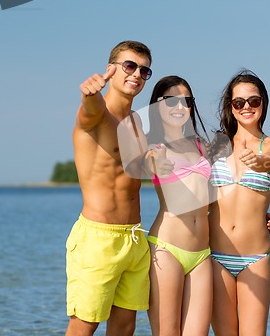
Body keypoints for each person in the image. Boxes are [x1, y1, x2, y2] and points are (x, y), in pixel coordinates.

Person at [66, 41, 153, 336]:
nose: (137, 74)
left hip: (134, 239)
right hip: (98, 239)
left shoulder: (138, 124)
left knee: (125, 326)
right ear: (111, 69)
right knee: (83, 325)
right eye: (130, 66)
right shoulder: (97, 114)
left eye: (144, 70)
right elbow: (88, 110)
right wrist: (89, 94)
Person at [208, 70, 270, 335]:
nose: (247, 107)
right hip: (216, 256)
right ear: (231, 106)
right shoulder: (215, 147)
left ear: (264, 102)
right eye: (239, 102)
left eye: (254, 100)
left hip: (257, 258)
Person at [144, 76, 213, 336]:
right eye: (171, 100)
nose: (180, 107)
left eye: (187, 101)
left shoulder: (201, 145)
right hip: (166, 249)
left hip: (201, 254)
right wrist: (156, 163)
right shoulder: (153, 148)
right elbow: (148, 164)